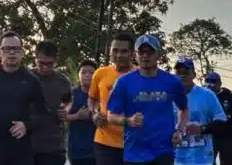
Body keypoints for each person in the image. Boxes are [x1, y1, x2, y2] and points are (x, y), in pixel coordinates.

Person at [106, 34, 189, 165]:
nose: (145, 56)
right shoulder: (123, 82)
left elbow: (183, 109)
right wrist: (128, 121)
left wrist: (180, 131)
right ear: (135, 55)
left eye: (150, 52)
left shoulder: (172, 81)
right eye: (141, 52)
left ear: (158, 55)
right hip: (135, 153)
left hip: (164, 152)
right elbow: (111, 116)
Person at [0, 30, 47, 165]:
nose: (12, 53)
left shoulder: (32, 81)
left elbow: (42, 113)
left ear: (22, 52)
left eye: (16, 49)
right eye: (7, 49)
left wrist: (26, 125)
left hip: (22, 149)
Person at [89, 32, 136, 165]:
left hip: (134, 142)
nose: (119, 55)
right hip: (105, 142)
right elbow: (92, 99)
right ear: (109, 51)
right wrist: (94, 113)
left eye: (124, 51)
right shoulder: (100, 73)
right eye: (115, 50)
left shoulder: (141, 76)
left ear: (132, 53)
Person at [173, 57, 227, 165]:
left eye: (186, 72)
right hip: (175, 158)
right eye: (179, 73)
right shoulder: (168, 96)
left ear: (193, 74)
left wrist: (202, 129)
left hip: (202, 158)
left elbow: (222, 122)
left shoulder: (207, 95)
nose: (182, 76)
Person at [30, 40, 73, 165]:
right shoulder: (25, 77)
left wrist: (65, 110)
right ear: (35, 58)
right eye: (41, 63)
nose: (45, 67)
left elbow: (68, 101)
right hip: (26, 144)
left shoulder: (62, 81)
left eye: (49, 63)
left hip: (53, 145)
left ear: (56, 60)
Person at [205, 72, 232, 165]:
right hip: (209, 135)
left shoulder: (229, 96)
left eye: (213, 81)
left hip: (226, 135)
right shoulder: (203, 96)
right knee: (208, 161)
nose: (210, 84)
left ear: (220, 83)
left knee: (228, 161)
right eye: (207, 81)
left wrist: (228, 117)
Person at [67, 60, 98, 165]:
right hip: (76, 150)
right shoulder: (71, 94)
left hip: (98, 149)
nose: (87, 75)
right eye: (83, 72)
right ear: (78, 75)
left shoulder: (101, 94)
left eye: (91, 72)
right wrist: (76, 116)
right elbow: (60, 116)